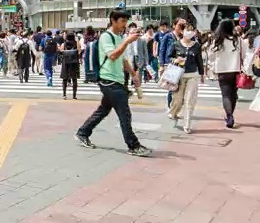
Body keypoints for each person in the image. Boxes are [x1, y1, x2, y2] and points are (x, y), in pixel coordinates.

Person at [75, 9, 152, 157]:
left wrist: (134, 74)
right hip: (109, 81)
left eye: (126, 22)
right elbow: (112, 55)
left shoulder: (118, 37)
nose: (124, 25)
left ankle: (83, 132)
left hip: (117, 80)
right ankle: (133, 145)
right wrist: (127, 41)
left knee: (103, 110)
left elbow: (122, 59)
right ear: (113, 20)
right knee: (125, 114)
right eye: (122, 21)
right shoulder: (106, 37)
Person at [209, 18, 248, 129]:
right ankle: (230, 114)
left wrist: (212, 67)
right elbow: (244, 54)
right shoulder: (238, 39)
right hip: (235, 70)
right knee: (233, 94)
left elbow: (211, 56)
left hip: (222, 71)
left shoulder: (217, 40)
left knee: (226, 95)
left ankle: (229, 116)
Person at [168, 24, 204, 133]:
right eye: (187, 30)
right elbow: (169, 57)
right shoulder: (176, 44)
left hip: (192, 75)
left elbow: (199, 61)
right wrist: (175, 60)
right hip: (179, 75)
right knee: (178, 100)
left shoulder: (196, 46)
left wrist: (202, 74)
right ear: (182, 31)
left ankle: (187, 124)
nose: (190, 33)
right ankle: (173, 113)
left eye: (192, 31)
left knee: (189, 100)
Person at [60, 32, 81, 100]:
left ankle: (64, 95)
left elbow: (61, 51)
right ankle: (74, 96)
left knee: (65, 79)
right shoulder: (76, 43)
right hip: (74, 62)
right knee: (74, 79)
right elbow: (79, 51)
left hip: (65, 62)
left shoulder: (64, 44)